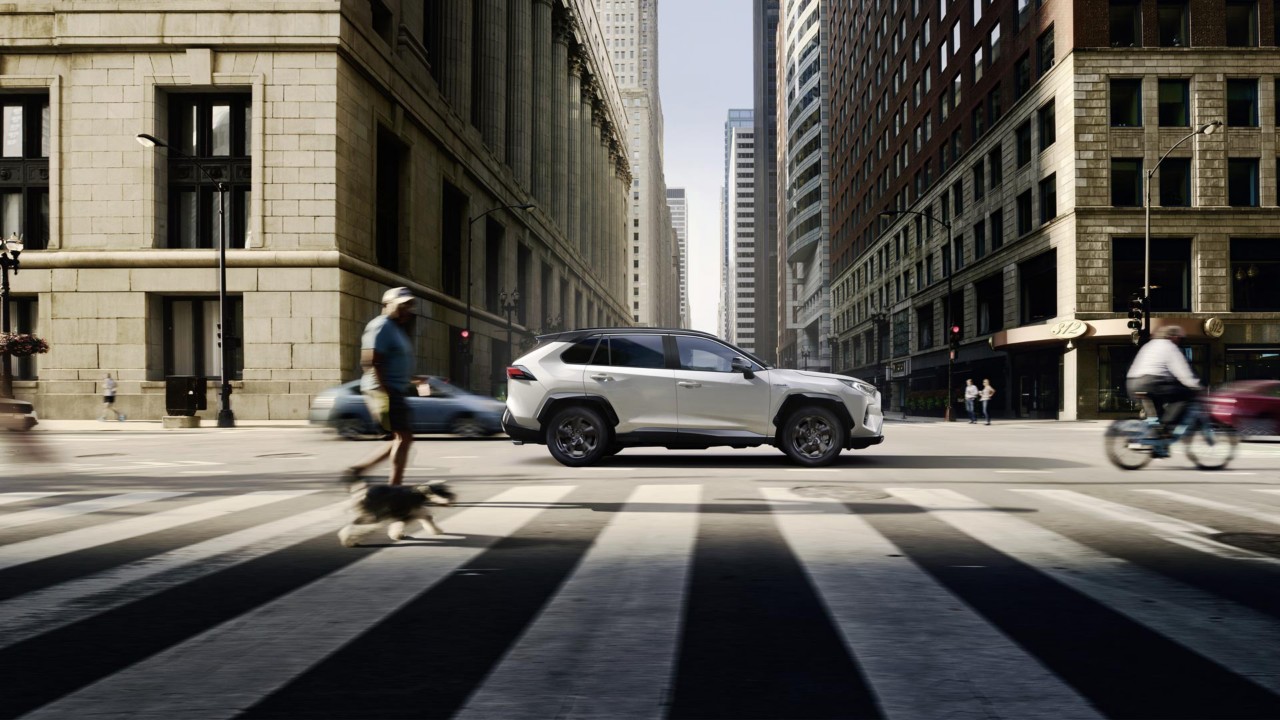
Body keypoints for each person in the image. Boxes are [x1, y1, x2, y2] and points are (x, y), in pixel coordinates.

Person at [343, 287, 419, 486]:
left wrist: (413, 378)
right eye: (403, 305)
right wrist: (384, 392)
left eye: (410, 305)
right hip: (384, 390)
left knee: (401, 439)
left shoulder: (395, 328)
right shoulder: (381, 325)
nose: (408, 309)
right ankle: (395, 488)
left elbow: (394, 360)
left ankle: (358, 470)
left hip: (394, 389)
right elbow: (370, 361)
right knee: (403, 438)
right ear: (390, 305)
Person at [1126, 325, 1200, 440]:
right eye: (1179, 338)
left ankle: (1156, 440)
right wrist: (1195, 386)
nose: (1179, 341)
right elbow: (1182, 371)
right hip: (1151, 382)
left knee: (1158, 414)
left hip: (1133, 383)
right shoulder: (1169, 346)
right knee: (1184, 396)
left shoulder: (1149, 345)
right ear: (1173, 337)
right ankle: (1167, 427)